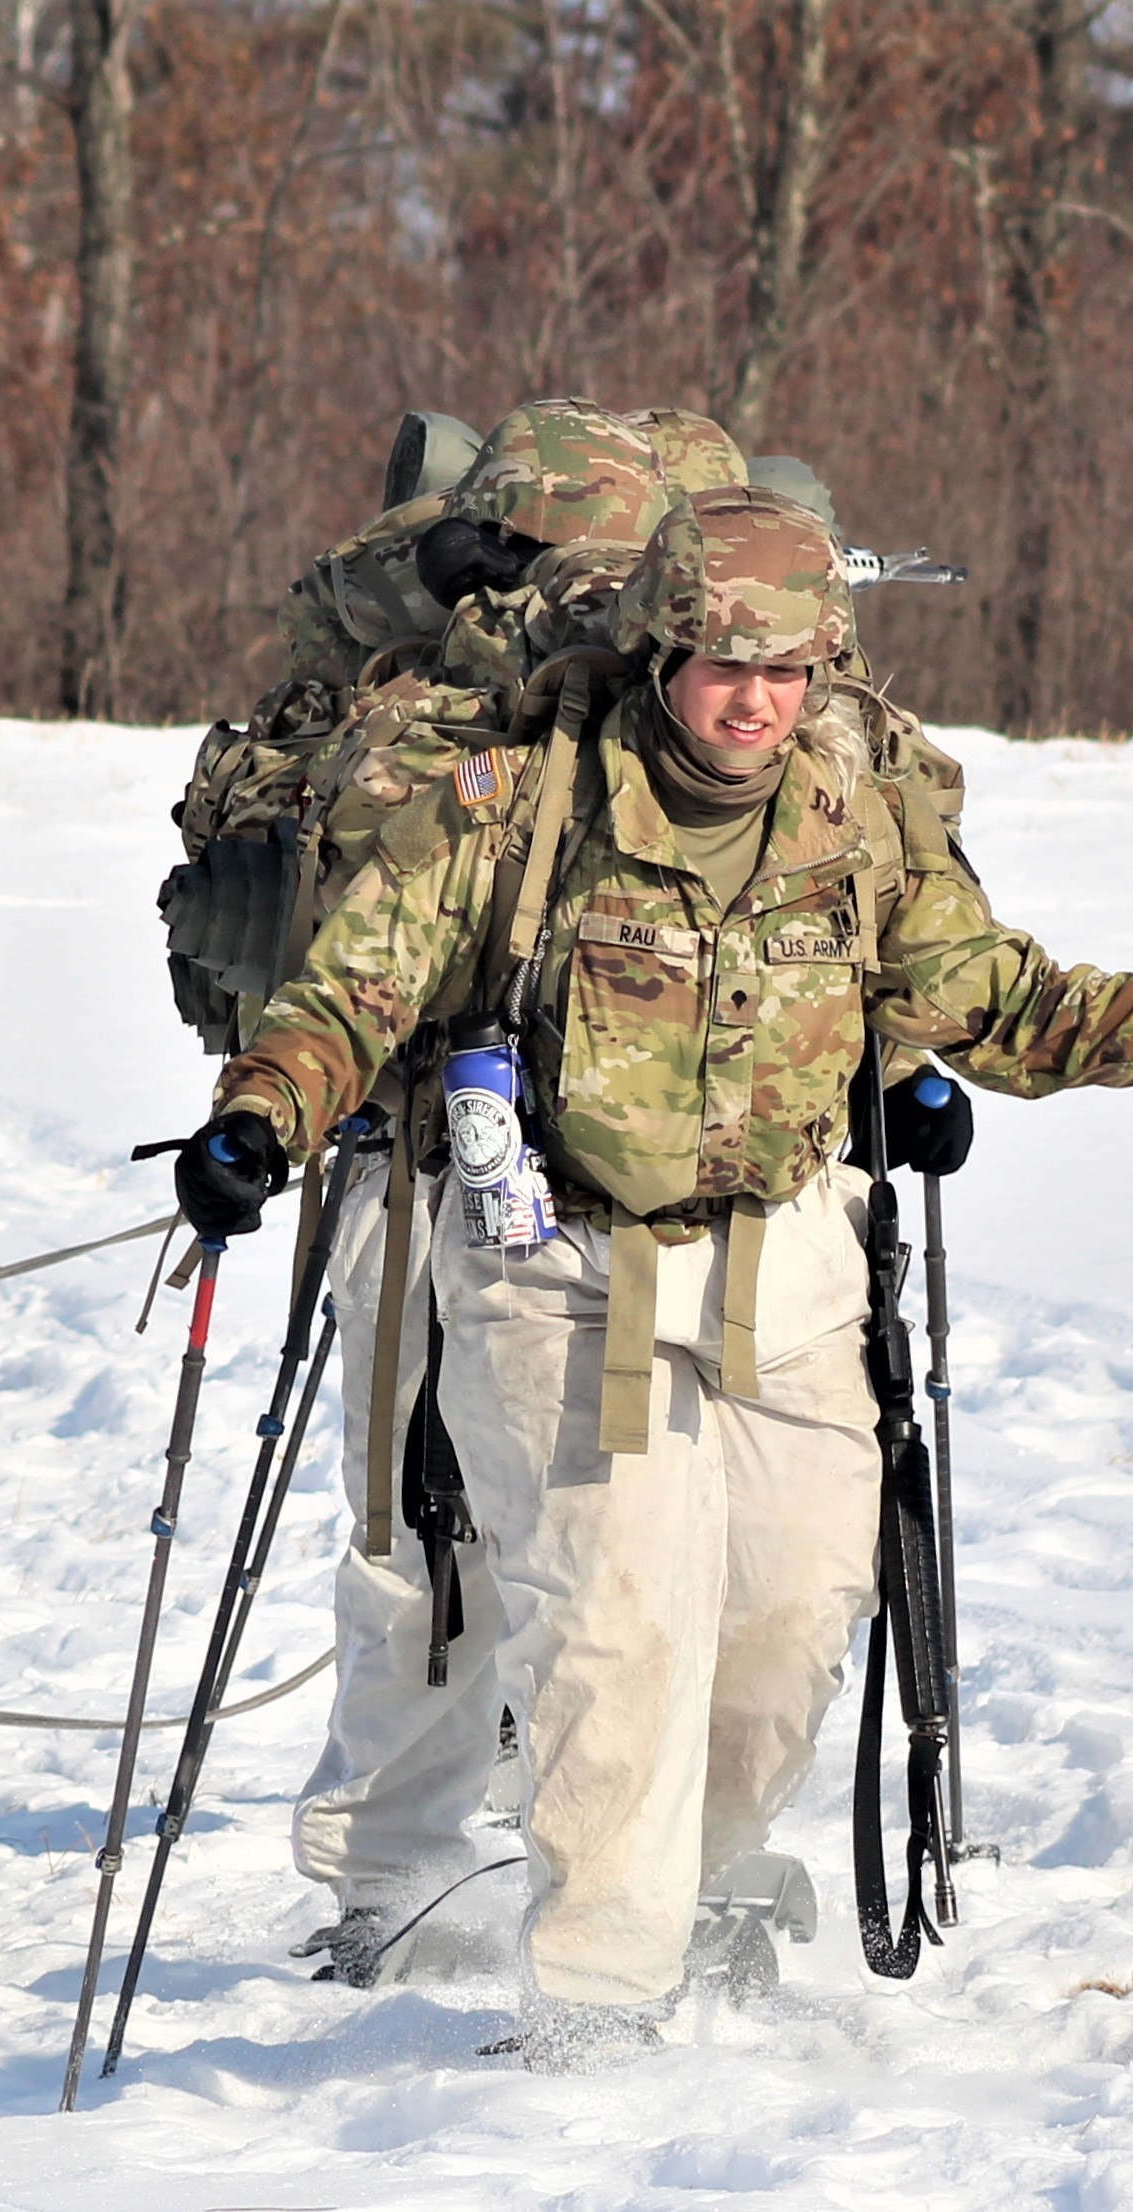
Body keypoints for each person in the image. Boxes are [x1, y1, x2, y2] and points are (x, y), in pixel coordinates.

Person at [167, 485, 1133, 2063]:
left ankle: (699, 1869)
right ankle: (595, 1997)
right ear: (659, 649)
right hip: (558, 1258)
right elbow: (355, 988)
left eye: (791, 668)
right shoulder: (513, 798)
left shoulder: (852, 808)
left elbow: (995, 1003)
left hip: (787, 1256)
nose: (757, 700)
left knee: (788, 1622)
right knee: (613, 1625)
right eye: (726, 664)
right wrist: (259, 1119)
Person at [169, 402, 754, 1989]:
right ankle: (393, 1874)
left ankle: (687, 1874)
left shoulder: (712, 712)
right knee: (412, 1530)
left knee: (659, 1551)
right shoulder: (407, 682)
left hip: (639, 1185)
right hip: (408, 1153)